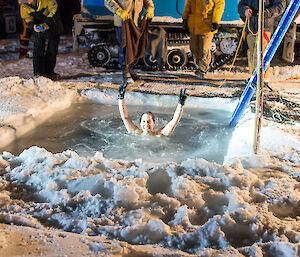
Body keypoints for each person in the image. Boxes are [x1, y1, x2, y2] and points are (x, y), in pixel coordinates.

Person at [104, 0, 154, 84]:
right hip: (123, 21)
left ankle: (130, 70)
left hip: (136, 22)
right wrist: (118, 10)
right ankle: (125, 71)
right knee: (125, 46)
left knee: (134, 48)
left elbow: (147, 1)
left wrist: (150, 8)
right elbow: (108, 1)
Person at [238, 0, 284, 82]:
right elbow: (241, 5)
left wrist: (267, 12)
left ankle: (263, 78)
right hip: (250, 27)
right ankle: (253, 77)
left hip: (265, 27)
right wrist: (245, 10)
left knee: (262, 53)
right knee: (252, 53)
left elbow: (280, 6)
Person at [118, 85, 187, 136]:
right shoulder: (136, 133)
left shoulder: (160, 134)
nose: (146, 124)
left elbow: (174, 121)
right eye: (144, 121)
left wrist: (181, 103)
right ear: (140, 123)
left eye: (148, 121)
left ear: (154, 123)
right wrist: (121, 98)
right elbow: (125, 118)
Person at [19, 0, 63, 79]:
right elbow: (27, 18)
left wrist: (46, 24)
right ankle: (38, 73)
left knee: (52, 50)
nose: (28, 3)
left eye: (29, 0)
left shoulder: (47, 1)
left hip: (53, 27)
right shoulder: (24, 6)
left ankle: (49, 72)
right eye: (25, 1)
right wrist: (33, 26)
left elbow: (54, 11)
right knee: (38, 50)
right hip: (38, 30)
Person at [182, 0, 225, 79]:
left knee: (204, 49)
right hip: (194, 25)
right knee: (194, 48)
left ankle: (202, 69)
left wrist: (215, 21)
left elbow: (219, 6)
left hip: (206, 26)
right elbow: (188, 4)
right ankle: (199, 66)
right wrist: (185, 18)